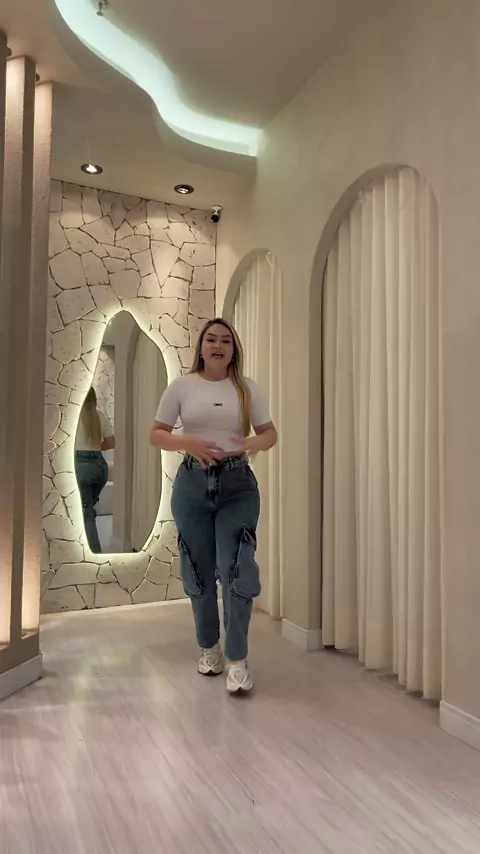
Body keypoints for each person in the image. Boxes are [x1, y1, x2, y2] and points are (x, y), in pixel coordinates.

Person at [150, 319, 277, 694]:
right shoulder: (182, 387)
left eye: (225, 340)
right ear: (202, 347)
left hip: (238, 486)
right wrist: (188, 442)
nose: (218, 345)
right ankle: (210, 649)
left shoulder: (247, 389)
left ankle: (238, 660)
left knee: (238, 569)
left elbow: (270, 433)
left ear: (233, 349)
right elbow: (156, 434)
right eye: (211, 339)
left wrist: (253, 443)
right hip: (192, 485)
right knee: (198, 571)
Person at [75, 387, 115, 554]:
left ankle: (93, 553)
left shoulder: (74, 419)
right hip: (99, 467)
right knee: (88, 508)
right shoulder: (100, 417)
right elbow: (111, 443)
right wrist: (96, 448)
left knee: (86, 514)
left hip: (81, 465)